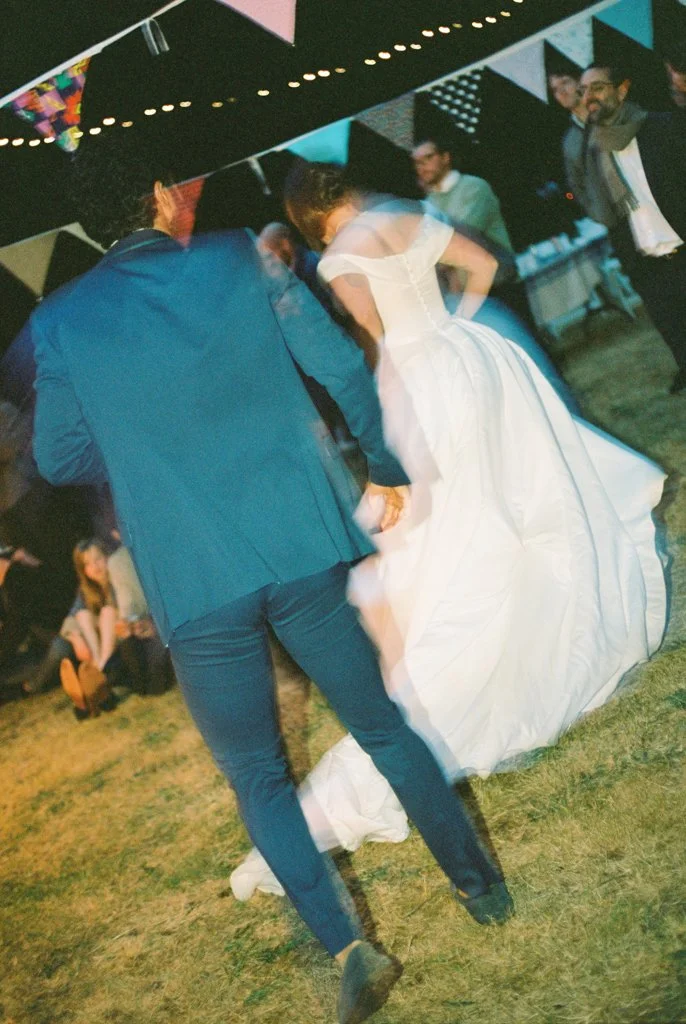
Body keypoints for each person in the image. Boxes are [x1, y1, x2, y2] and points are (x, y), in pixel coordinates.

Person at [30, 131, 513, 1024]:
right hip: (296, 541)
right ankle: (478, 886)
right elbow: (335, 362)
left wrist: (144, 439)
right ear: (160, 198)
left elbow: (55, 454)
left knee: (256, 772)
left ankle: (347, 947)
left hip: (191, 569)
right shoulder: (239, 258)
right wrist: (383, 464)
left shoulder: (58, 320)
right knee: (377, 722)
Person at [229, 161, 667, 900]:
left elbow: (369, 340)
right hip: (477, 362)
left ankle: (479, 640)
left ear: (305, 216)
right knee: (511, 494)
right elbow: (486, 265)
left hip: (417, 379)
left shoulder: (338, 258)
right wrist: (455, 327)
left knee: (446, 522)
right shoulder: (403, 215)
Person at [567, 63, 686, 394]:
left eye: (597, 87)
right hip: (644, 256)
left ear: (622, 90)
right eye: (583, 91)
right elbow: (586, 196)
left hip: (681, 240)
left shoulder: (660, 127)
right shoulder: (592, 150)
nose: (588, 96)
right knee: (670, 321)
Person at [59, 538, 172, 717]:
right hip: (104, 647)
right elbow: (75, 614)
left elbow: (130, 612)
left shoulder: (119, 578)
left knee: (107, 613)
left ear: (107, 556)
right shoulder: (86, 589)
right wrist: (75, 637)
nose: (95, 567)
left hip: (123, 641)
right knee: (83, 615)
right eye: (87, 564)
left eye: (98, 559)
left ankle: (96, 680)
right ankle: (96, 676)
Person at [412, 137, 513, 252]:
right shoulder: (428, 204)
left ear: (445, 158)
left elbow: (463, 239)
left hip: (497, 266)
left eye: (428, 157)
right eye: (417, 162)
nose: (422, 166)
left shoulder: (474, 187)